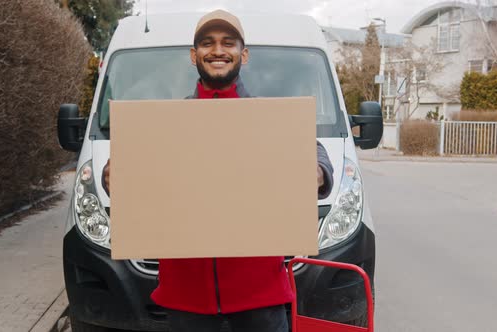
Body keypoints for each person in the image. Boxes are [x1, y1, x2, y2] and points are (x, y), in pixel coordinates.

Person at [102, 9, 334, 332]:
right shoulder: (162, 125)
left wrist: (319, 172)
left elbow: (318, 156)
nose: (218, 51)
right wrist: (113, 177)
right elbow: (127, 174)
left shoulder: (272, 119)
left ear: (244, 54)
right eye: (208, 43)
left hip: (260, 298)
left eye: (229, 43)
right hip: (186, 300)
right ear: (193, 55)